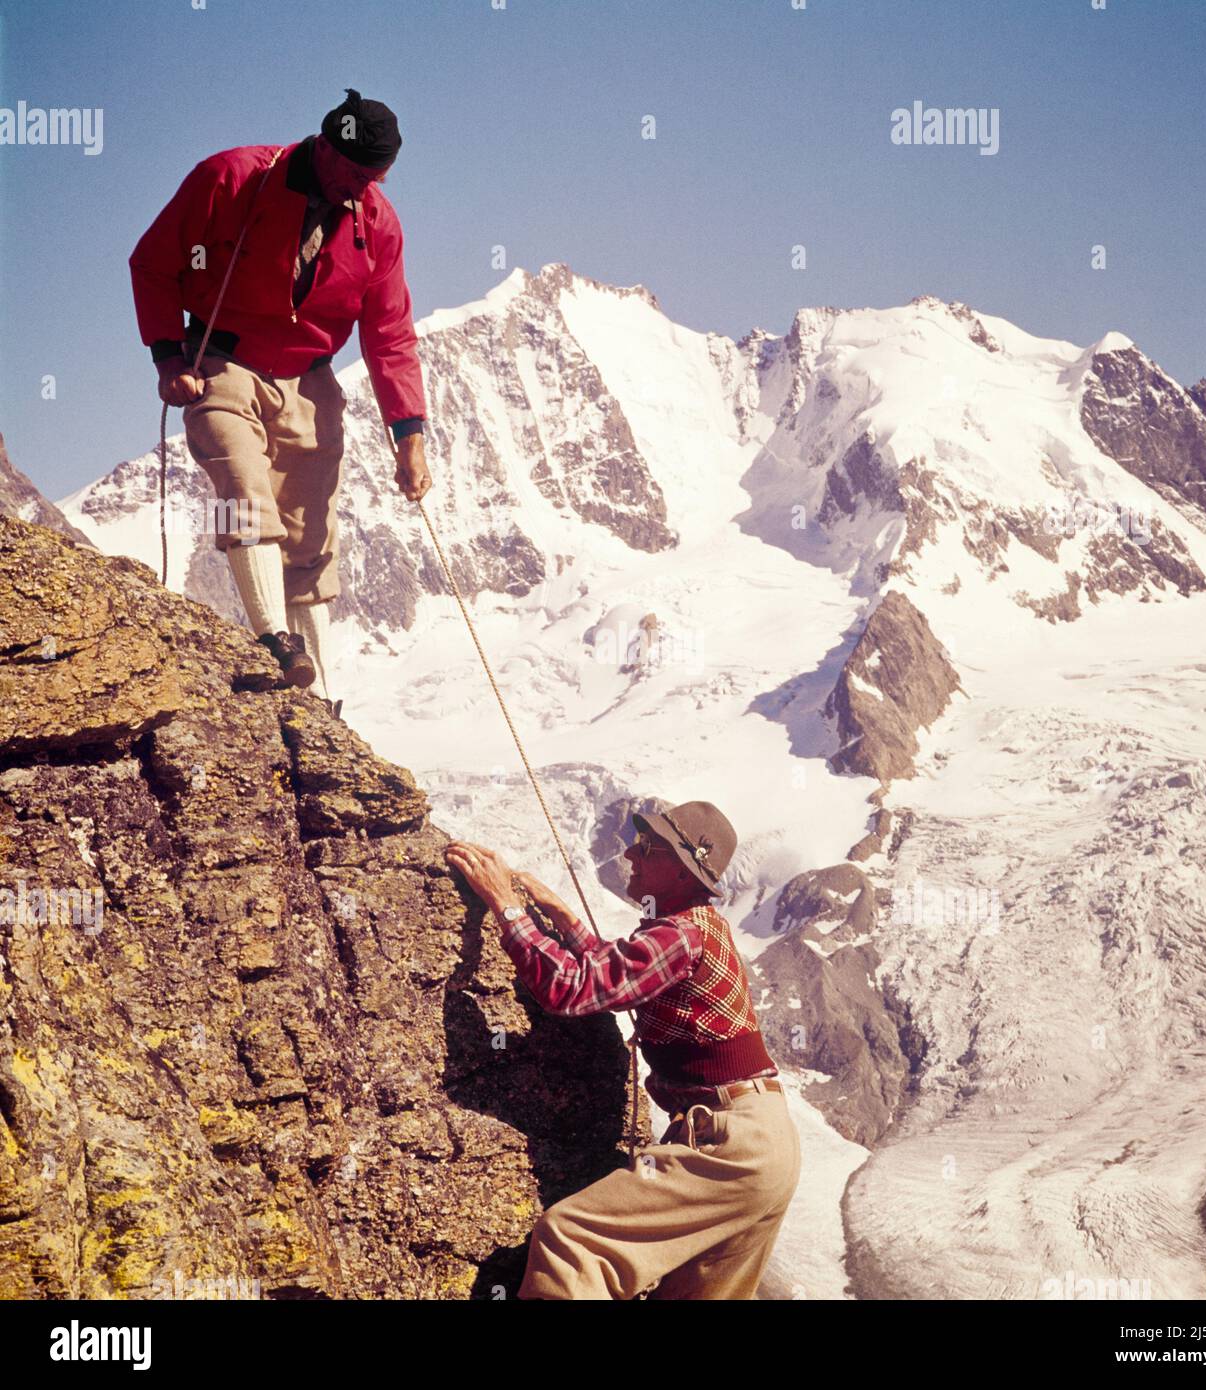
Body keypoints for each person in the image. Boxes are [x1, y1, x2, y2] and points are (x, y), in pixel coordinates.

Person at [129, 88, 432, 710]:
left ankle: (319, 691)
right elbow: (155, 262)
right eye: (352, 171)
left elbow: (390, 333)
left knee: (310, 532)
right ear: (324, 145)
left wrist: (410, 437)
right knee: (241, 485)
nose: (360, 188)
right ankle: (273, 640)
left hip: (309, 380)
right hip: (225, 358)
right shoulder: (232, 177)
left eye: (374, 178)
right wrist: (167, 357)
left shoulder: (378, 223)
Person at [446, 800, 801, 1300]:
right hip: (763, 1142)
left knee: (570, 1242)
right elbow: (618, 973)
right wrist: (563, 915)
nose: (631, 853)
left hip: (731, 1142)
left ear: (680, 869)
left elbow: (571, 989)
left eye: (648, 846)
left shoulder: (682, 933)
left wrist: (506, 905)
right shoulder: (694, 928)